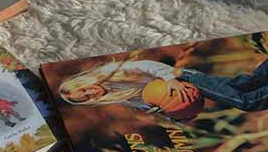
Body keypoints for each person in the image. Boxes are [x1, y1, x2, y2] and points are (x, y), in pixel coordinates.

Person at [60, 58, 268, 113]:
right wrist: (162, 110)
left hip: (184, 79)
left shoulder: (110, 72)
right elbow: (143, 101)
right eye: (87, 97)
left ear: (83, 82)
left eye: (85, 89)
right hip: (179, 86)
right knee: (247, 84)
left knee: (245, 102)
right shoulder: (115, 97)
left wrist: (170, 79)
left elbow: (147, 65)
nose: (91, 92)